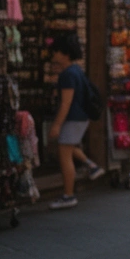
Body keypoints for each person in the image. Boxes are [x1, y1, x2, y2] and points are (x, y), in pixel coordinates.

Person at [47, 32, 104, 209]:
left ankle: (68, 195)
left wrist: (56, 124)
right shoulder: (76, 70)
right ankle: (91, 166)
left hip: (73, 118)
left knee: (64, 154)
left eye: (56, 51)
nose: (53, 55)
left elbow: (66, 103)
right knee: (68, 147)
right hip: (81, 117)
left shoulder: (67, 75)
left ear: (65, 53)